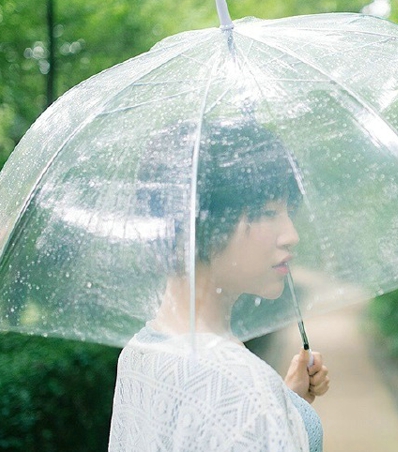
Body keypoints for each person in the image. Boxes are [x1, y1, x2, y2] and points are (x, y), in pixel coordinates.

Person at [108, 116, 330, 452]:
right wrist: (263, 401)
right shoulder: (240, 383)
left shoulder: (139, 352)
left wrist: (284, 401)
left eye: (288, 211)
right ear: (204, 221)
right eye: (268, 212)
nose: (291, 236)